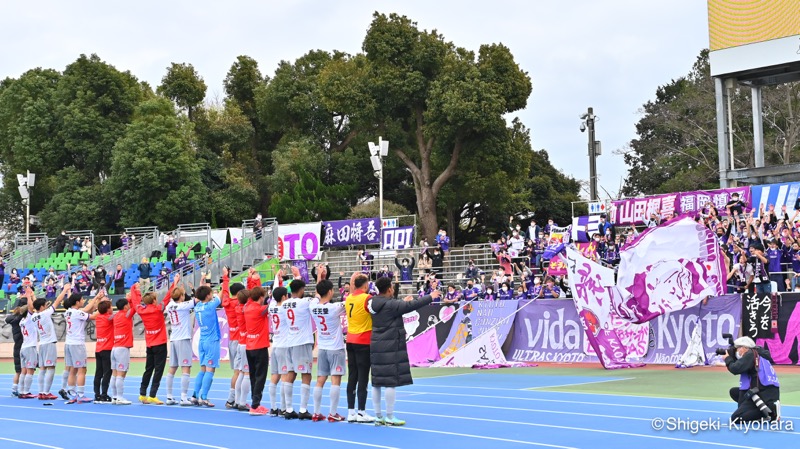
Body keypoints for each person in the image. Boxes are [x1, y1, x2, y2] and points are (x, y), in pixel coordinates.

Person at [369, 276, 440, 426]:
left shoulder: (372, 303)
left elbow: (396, 306)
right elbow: (412, 305)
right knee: (390, 382)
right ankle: (389, 416)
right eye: (392, 288)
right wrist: (430, 297)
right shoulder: (392, 305)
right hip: (390, 346)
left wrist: (403, 303)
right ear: (389, 289)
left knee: (376, 382)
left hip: (376, 345)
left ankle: (378, 416)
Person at [310, 279, 347, 422]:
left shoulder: (313, 306)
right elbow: (352, 300)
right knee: (335, 380)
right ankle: (332, 412)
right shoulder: (335, 307)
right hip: (335, 348)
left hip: (322, 348)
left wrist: (320, 276)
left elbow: (317, 296)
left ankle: (316, 412)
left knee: (320, 380)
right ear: (331, 291)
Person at [277, 279, 314, 420]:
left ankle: (288, 408)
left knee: (290, 373)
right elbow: (318, 299)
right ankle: (303, 409)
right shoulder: (304, 302)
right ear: (302, 290)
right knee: (306, 374)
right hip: (302, 341)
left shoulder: (284, 304)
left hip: (289, 341)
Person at [137, 279, 176, 405]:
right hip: (160, 343)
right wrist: (174, 283)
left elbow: (136, 302)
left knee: (148, 369)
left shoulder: (141, 310)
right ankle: (153, 395)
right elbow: (168, 297)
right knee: (158, 370)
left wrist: (135, 290)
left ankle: (142, 394)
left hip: (150, 344)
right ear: (154, 301)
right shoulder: (158, 309)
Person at [29, 283, 70, 400]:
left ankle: (41, 392)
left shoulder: (33, 316)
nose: (46, 306)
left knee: (42, 369)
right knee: (51, 367)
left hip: (41, 344)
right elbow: (57, 301)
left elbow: (37, 305)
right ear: (42, 307)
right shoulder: (46, 313)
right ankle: (46, 392)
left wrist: (32, 296)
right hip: (49, 343)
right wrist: (65, 290)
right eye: (45, 305)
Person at [725, 337, 781, 422]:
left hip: (762, 393)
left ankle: (770, 411)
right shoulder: (759, 353)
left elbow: (735, 368)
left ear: (745, 348)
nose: (737, 351)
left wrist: (727, 359)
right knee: (734, 392)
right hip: (769, 392)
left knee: (736, 418)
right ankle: (766, 408)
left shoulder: (750, 354)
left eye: (738, 348)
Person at [344, 273, 376, 423]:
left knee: (352, 376)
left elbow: (352, 289)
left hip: (350, 340)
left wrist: (353, 278)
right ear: (364, 286)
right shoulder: (367, 298)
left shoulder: (349, 298)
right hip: (363, 341)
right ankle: (362, 411)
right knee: (363, 377)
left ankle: (351, 411)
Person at [62, 291, 102, 403]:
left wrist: (96, 299)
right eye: (82, 299)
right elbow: (93, 315)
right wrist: (103, 307)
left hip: (68, 343)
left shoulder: (69, 312)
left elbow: (87, 310)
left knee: (72, 369)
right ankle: (80, 394)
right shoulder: (77, 313)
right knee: (82, 369)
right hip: (77, 344)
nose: (83, 301)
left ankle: (72, 393)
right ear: (77, 301)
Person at [164, 278, 196, 406]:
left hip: (173, 339)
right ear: (181, 296)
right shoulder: (184, 305)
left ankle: (169, 396)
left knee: (172, 368)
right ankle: (183, 397)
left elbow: (172, 296)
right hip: (183, 338)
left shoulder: (169, 305)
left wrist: (176, 284)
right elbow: (197, 300)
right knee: (186, 367)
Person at [190, 285, 221, 407]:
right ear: (208, 295)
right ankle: (204, 397)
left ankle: (194, 395)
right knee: (210, 370)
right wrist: (225, 277)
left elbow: (201, 294)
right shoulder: (210, 306)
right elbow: (222, 294)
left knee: (202, 369)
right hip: (211, 341)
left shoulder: (197, 306)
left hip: (201, 341)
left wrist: (202, 283)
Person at [244, 286, 272, 416]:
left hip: (249, 347)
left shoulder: (246, 307)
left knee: (253, 376)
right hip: (260, 347)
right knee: (261, 376)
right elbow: (273, 302)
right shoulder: (260, 310)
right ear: (260, 297)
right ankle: (255, 405)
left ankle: (255, 403)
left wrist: (252, 279)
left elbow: (251, 295)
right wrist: (279, 282)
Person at [111, 287, 140, 405]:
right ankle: (120, 397)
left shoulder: (116, 315)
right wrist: (134, 292)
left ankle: (114, 396)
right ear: (125, 307)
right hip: (122, 348)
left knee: (115, 373)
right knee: (121, 373)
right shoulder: (127, 314)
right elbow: (136, 306)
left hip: (115, 347)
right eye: (127, 304)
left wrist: (128, 299)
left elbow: (132, 306)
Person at [220, 268, 241, 409]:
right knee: (240, 372)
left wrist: (225, 278)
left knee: (237, 372)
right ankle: (232, 399)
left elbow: (225, 293)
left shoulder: (227, 303)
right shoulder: (239, 304)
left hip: (232, 340)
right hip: (240, 340)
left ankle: (235, 399)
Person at [267, 286, 288, 416]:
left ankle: (273, 407)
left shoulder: (272, 307)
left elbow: (274, 298)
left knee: (274, 377)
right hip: (284, 346)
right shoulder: (285, 310)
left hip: (275, 345)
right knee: (285, 377)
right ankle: (283, 407)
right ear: (284, 297)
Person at [91, 297, 114, 403]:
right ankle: (104, 394)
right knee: (107, 372)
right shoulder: (109, 318)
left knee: (98, 372)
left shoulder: (98, 317)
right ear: (108, 309)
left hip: (98, 348)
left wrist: (101, 302)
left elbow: (97, 310)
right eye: (110, 307)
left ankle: (97, 394)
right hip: (107, 348)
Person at [232, 285, 250, 411]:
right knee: (246, 373)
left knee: (240, 373)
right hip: (246, 343)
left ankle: (237, 400)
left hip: (240, 341)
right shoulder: (247, 309)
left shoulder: (237, 307)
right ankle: (242, 402)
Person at [17, 291, 38, 399]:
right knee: (30, 370)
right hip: (30, 347)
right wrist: (29, 296)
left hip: (23, 347)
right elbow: (31, 306)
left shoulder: (22, 321)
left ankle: (21, 391)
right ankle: (26, 391)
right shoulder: (29, 319)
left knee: (23, 371)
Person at [5, 298, 25, 397]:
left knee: (19, 371)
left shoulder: (14, 318)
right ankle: (22, 390)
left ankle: (15, 389)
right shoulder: (21, 318)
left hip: (17, 346)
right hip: (23, 346)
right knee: (24, 370)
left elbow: (8, 319)